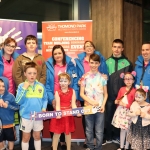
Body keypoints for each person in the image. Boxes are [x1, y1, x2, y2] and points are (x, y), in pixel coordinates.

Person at [12, 35, 46, 150]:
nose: (31, 44)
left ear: (36, 45)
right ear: (25, 45)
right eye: (29, 42)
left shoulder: (40, 58)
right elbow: (17, 75)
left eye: (33, 42)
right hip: (26, 109)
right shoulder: (20, 58)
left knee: (37, 136)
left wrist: (36, 85)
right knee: (25, 137)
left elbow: (43, 75)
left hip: (38, 106)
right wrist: (25, 86)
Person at [75, 41, 108, 147]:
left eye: (96, 63)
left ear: (99, 64)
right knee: (88, 129)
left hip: (100, 108)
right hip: (88, 107)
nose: (94, 65)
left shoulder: (102, 77)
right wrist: (91, 102)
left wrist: (102, 105)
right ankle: (89, 146)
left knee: (99, 130)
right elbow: (81, 94)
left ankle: (98, 147)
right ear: (89, 63)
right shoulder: (84, 77)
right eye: (92, 63)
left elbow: (106, 94)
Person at [45, 45, 78, 150]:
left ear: (63, 54)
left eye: (59, 53)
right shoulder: (49, 65)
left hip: (67, 98)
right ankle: (54, 145)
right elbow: (47, 85)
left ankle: (63, 143)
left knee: (66, 124)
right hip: (54, 96)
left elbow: (75, 81)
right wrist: (52, 99)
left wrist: (73, 96)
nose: (57, 55)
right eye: (55, 53)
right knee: (55, 124)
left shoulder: (71, 65)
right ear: (53, 55)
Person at [104, 39, 133, 145]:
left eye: (119, 47)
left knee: (121, 118)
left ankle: (117, 137)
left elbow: (131, 81)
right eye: (115, 47)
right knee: (109, 117)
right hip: (110, 96)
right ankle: (108, 138)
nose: (116, 49)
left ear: (122, 49)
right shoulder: (106, 62)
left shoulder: (128, 63)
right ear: (112, 47)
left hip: (123, 98)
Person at [15, 62, 48, 150]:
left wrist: (44, 108)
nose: (32, 75)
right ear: (25, 74)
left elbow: (45, 99)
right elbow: (18, 101)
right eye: (29, 73)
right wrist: (24, 89)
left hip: (38, 116)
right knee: (26, 138)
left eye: (34, 73)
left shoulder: (41, 86)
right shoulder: (21, 86)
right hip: (26, 117)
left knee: (37, 136)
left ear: (37, 73)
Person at [50, 73, 80, 150]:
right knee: (56, 133)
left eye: (65, 81)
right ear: (59, 82)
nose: (63, 83)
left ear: (69, 82)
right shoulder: (57, 92)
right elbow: (57, 105)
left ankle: (69, 148)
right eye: (61, 81)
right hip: (59, 114)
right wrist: (58, 114)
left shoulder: (72, 91)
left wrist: (77, 112)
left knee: (68, 133)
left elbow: (73, 104)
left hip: (68, 114)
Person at [0, 37, 20, 146]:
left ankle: (10, 144)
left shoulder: (16, 60)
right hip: (1, 94)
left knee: (12, 121)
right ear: (3, 46)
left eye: (13, 46)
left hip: (13, 95)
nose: (10, 48)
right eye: (8, 45)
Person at [111, 72, 136, 150]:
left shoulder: (134, 91)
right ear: (124, 80)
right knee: (122, 129)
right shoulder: (121, 89)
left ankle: (127, 146)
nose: (128, 81)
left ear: (133, 81)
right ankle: (121, 146)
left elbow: (135, 104)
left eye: (130, 79)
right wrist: (117, 101)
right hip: (121, 112)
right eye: (126, 79)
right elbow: (118, 98)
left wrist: (126, 105)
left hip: (129, 113)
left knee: (128, 130)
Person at [0, 77, 19, 150]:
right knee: (1, 143)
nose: (1, 88)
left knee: (11, 140)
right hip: (0, 126)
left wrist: (7, 106)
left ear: (7, 86)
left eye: (3, 86)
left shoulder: (10, 96)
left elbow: (17, 107)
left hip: (9, 124)